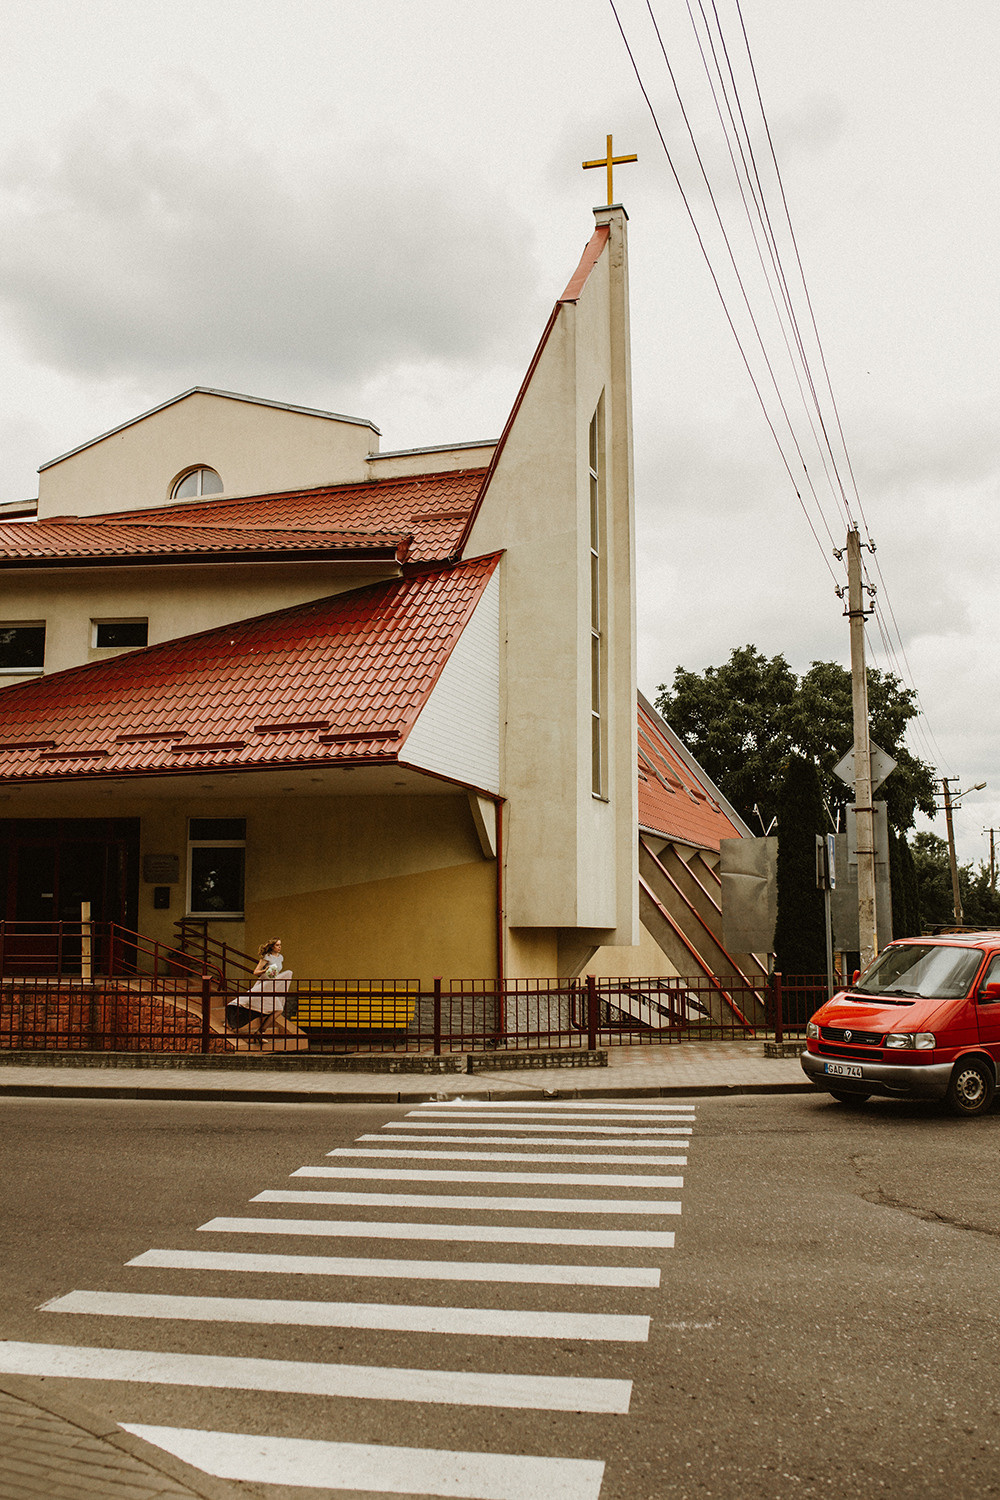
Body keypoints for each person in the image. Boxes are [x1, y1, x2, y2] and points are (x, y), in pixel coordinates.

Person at [225, 940, 288, 1035]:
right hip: (264, 983)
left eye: (280, 945)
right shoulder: (267, 957)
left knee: (279, 1009)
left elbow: (276, 972)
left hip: (271, 985)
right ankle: (229, 1020)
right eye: (277, 945)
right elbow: (255, 972)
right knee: (247, 1001)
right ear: (272, 947)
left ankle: (260, 1032)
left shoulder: (281, 958)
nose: (279, 947)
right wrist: (265, 970)